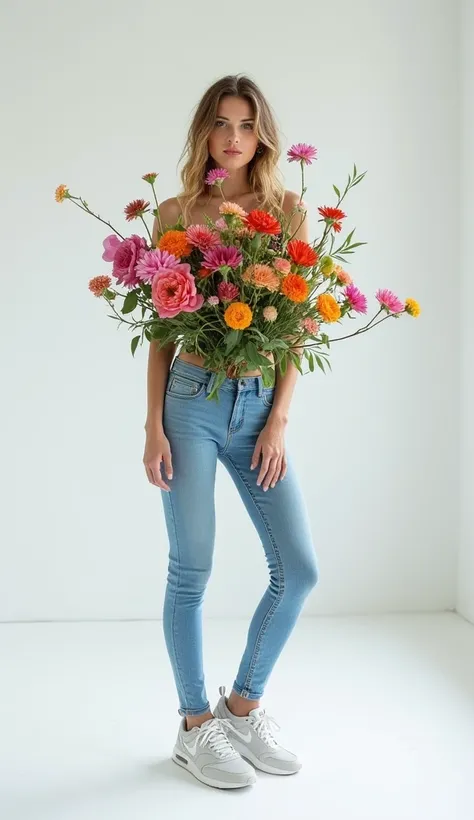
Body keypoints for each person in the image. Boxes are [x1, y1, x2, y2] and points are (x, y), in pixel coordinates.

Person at [143, 74, 319, 790]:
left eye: (247, 125)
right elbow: (160, 331)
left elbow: (299, 328)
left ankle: (242, 707)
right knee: (192, 572)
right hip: (189, 402)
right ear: (205, 133)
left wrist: (278, 419)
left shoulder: (287, 211)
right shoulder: (178, 212)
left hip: (256, 412)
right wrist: (152, 423)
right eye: (222, 124)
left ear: (263, 135)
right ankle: (194, 726)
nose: (234, 138)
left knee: (299, 570)